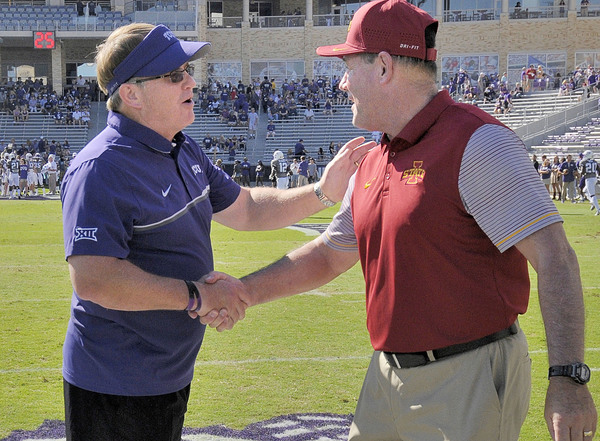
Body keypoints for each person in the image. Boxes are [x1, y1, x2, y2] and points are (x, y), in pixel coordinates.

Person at [199, 1, 597, 440]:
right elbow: (329, 254)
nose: (342, 83)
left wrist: (568, 377)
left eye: (348, 68)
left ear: (384, 67)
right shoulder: (375, 158)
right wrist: (244, 291)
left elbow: (556, 258)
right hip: (386, 373)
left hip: (466, 374)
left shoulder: (477, 142)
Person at [59, 23, 371, 441]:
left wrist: (322, 191)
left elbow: (247, 208)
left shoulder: (181, 147)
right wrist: (198, 295)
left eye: (187, 71)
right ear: (132, 94)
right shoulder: (101, 169)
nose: (191, 81)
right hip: (114, 384)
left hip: (167, 374)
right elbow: (94, 279)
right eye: (174, 75)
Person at [578, 150, 600, 215]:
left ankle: (598, 209)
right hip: (594, 178)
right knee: (585, 190)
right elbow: (599, 170)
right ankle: (592, 202)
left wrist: (579, 173)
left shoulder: (583, 162)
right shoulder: (595, 161)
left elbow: (582, 172)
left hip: (589, 179)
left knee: (592, 194)